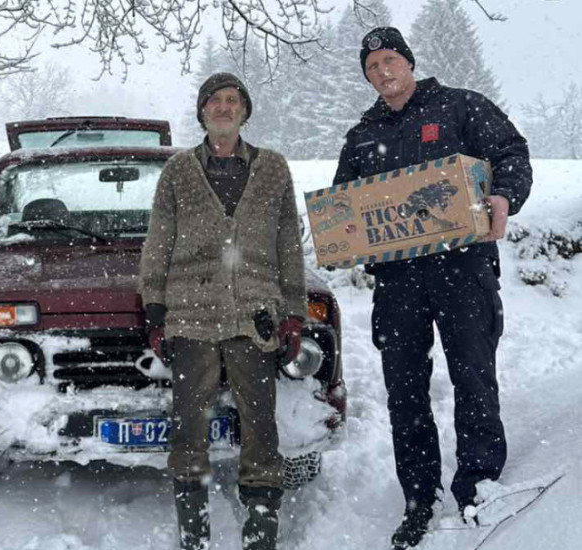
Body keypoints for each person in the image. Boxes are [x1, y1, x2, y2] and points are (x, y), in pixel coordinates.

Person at [333, 27, 532, 550]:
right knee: (405, 391)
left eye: (390, 59)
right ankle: (420, 497)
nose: (382, 71)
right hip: (398, 283)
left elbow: (512, 152)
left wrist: (504, 197)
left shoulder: (461, 108)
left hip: (463, 270)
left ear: (409, 62)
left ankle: (478, 484)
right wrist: (343, 236)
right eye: (372, 66)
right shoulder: (360, 136)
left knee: (472, 375)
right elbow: (341, 206)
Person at [138, 73, 307, 550]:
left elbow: (288, 244)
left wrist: (292, 312)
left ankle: (260, 533)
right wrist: (155, 310)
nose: (224, 107)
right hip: (191, 317)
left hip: (255, 317)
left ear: (245, 110)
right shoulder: (178, 172)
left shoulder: (273, 168)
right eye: (215, 101)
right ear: (202, 112)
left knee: (261, 426)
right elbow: (159, 243)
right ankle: (194, 534)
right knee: (188, 425)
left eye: (233, 100)